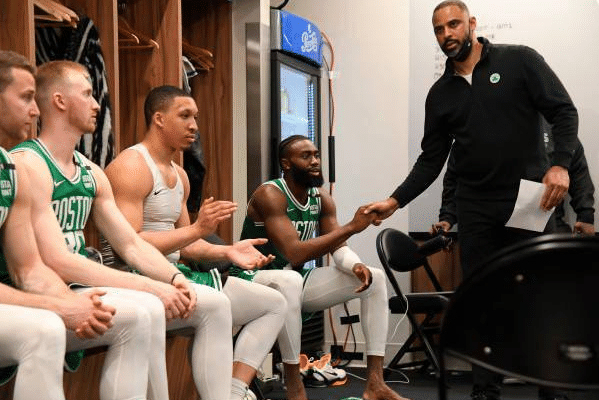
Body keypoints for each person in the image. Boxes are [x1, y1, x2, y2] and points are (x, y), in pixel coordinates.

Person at [364, 2, 579, 400]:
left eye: (454, 24)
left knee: (539, 295)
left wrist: (561, 165)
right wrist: (394, 201)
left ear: (471, 24)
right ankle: (485, 389)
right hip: (476, 206)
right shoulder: (440, 94)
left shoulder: (520, 60)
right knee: (482, 297)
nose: (447, 34)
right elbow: (431, 159)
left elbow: (564, 112)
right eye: (439, 29)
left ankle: (553, 389)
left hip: (528, 200)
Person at [10, 60, 237, 400]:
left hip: (80, 282)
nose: (96, 104)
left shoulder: (90, 171)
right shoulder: (29, 163)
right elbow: (56, 260)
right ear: (59, 101)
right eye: (88, 94)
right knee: (143, 312)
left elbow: (130, 243)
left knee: (205, 304)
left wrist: (173, 278)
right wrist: (151, 286)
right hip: (45, 287)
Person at [105, 85, 288, 400]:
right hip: (136, 278)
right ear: (159, 119)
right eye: (185, 116)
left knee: (273, 303)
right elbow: (131, 244)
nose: (194, 126)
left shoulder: (180, 174)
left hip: (176, 273)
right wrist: (198, 229)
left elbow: (185, 246)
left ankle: (234, 391)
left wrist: (227, 250)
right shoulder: (131, 166)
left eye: (196, 117)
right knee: (217, 306)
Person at [227, 134, 409, 400]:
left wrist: (355, 265)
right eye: (306, 156)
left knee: (376, 277)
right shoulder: (270, 194)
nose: (315, 161)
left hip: (291, 279)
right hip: (251, 277)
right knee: (289, 281)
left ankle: (375, 384)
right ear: (286, 164)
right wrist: (352, 227)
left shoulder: (321, 197)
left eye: (316, 155)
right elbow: (294, 253)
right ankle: (294, 386)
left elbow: (338, 247)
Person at [0, 50, 116, 400]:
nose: (36, 110)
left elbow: (29, 269)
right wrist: (60, 306)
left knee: (52, 325)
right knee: (45, 330)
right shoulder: (28, 161)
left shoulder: (10, 169)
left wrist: (73, 303)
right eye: (25, 97)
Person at [434, 138, 595, 235]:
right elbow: (454, 177)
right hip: (490, 229)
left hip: (548, 224)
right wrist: (447, 217)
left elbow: (580, 176)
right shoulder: (477, 127)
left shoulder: (558, 129)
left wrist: (585, 216)